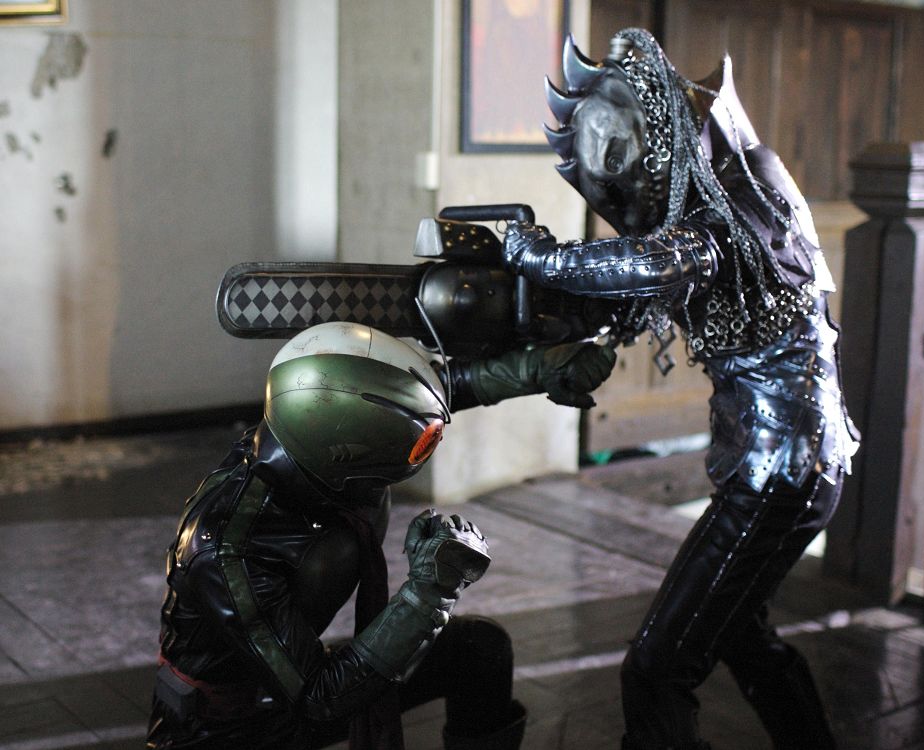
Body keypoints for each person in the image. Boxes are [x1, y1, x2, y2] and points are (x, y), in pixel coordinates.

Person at [501, 28, 860, 750]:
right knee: (740, 636)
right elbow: (655, 285)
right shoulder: (726, 190)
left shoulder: (737, 196)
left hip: (780, 471)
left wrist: (541, 257)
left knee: (655, 671)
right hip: (787, 463)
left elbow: (664, 261)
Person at [147, 321, 616, 750]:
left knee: (478, 650)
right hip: (232, 727)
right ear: (347, 451)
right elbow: (318, 698)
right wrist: (426, 597)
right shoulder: (227, 550)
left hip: (293, 674)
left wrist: (537, 370)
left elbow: (421, 395)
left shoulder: (311, 437)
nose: (421, 445)